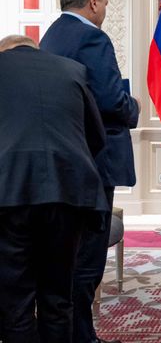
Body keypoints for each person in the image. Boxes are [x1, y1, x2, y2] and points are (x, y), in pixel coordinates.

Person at [40, 0, 139, 343]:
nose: (105, 11)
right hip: (94, 162)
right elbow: (111, 101)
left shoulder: (51, 36)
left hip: (61, 160)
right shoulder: (92, 38)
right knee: (87, 259)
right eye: (106, 3)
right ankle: (84, 335)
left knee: (64, 257)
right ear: (94, 1)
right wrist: (134, 107)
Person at [0, 35, 108, 343]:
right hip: (68, 191)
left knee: (16, 301)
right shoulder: (71, 70)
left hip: (9, 192)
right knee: (58, 297)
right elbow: (96, 137)